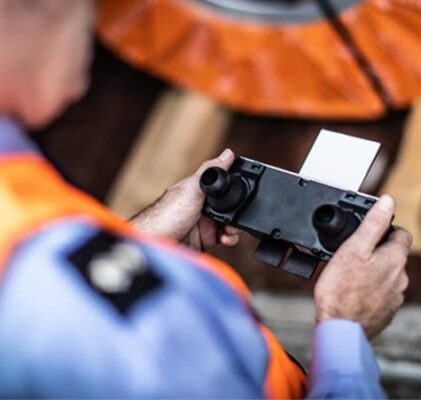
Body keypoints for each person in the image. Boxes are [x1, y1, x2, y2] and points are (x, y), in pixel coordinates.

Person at [0, 0, 411, 398]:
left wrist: (138, 246)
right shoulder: (117, 325)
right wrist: (346, 326)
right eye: (87, 9)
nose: (90, 40)